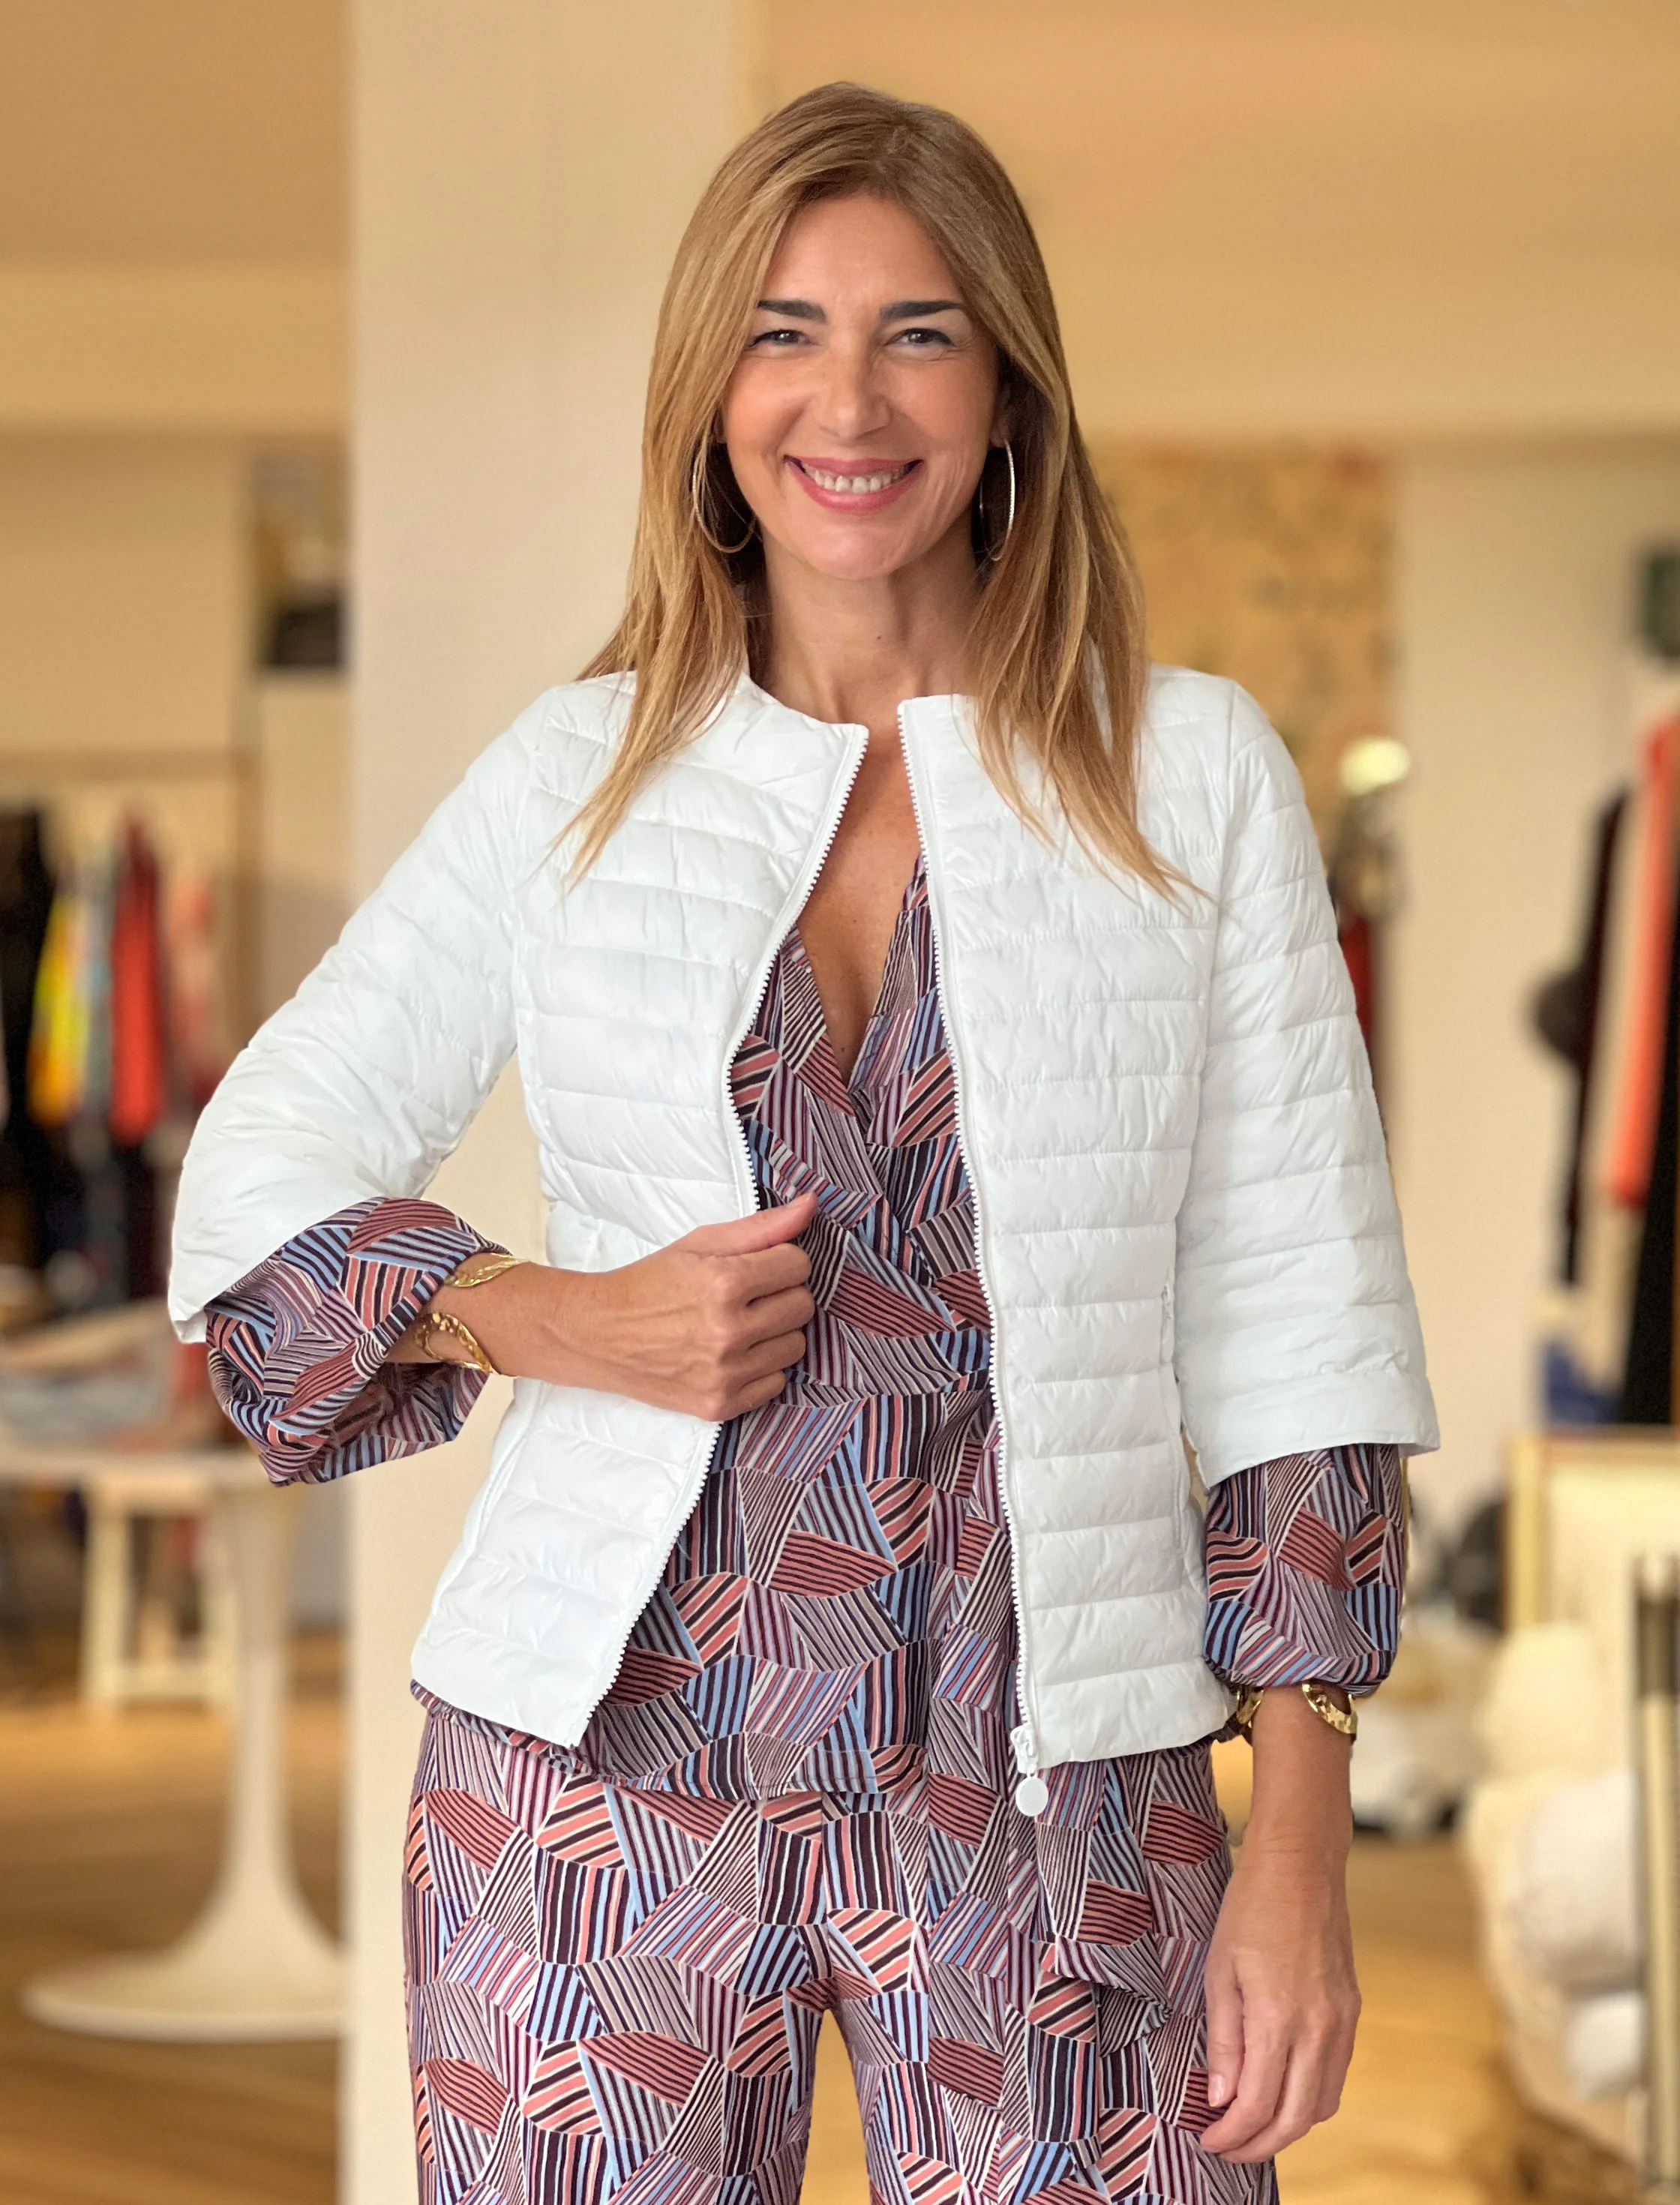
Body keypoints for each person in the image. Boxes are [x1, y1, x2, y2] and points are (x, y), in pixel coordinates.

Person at [170, 81, 1435, 2205]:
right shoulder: (578, 774)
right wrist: (550, 1315)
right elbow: (255, 1179)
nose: (849, 401)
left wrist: (1299, 1844)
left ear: (1008, 384)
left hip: (1059, 1785)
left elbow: (1300, 1316)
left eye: (918, 332)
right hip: (607, 1776)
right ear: (712, 388)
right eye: (784, 332)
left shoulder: (1186, 770)